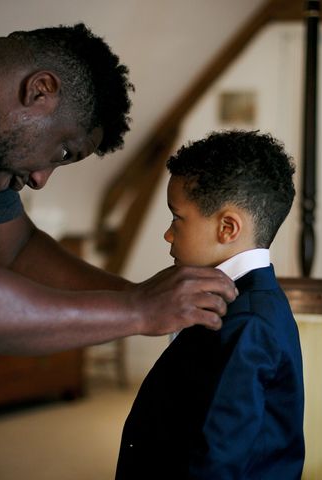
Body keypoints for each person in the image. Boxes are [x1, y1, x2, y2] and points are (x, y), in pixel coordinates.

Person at [0, 22, 237, 355]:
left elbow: (18, 250)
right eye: (63, 151)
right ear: (40, 90)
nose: (40, 179)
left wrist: (137, 294)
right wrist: (139, 310)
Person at [115, 130, 305, 479]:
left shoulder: (250, 321)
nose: (168, 234)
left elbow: (219, 454)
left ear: (227, 227)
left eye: (177, 218)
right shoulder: (229, 297)